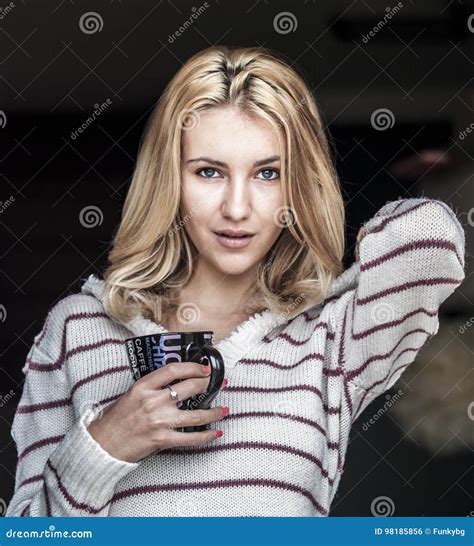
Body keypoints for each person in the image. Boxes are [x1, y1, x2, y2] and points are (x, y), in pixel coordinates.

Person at [6, 46, 466, 517]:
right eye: (209, 172)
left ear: (297, 185)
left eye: (268, 173)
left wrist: (328, 214)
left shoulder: (330, 338)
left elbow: (430, 238)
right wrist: (106, 442)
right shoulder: (79, 329)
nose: (237, 208)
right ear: (169, 180)